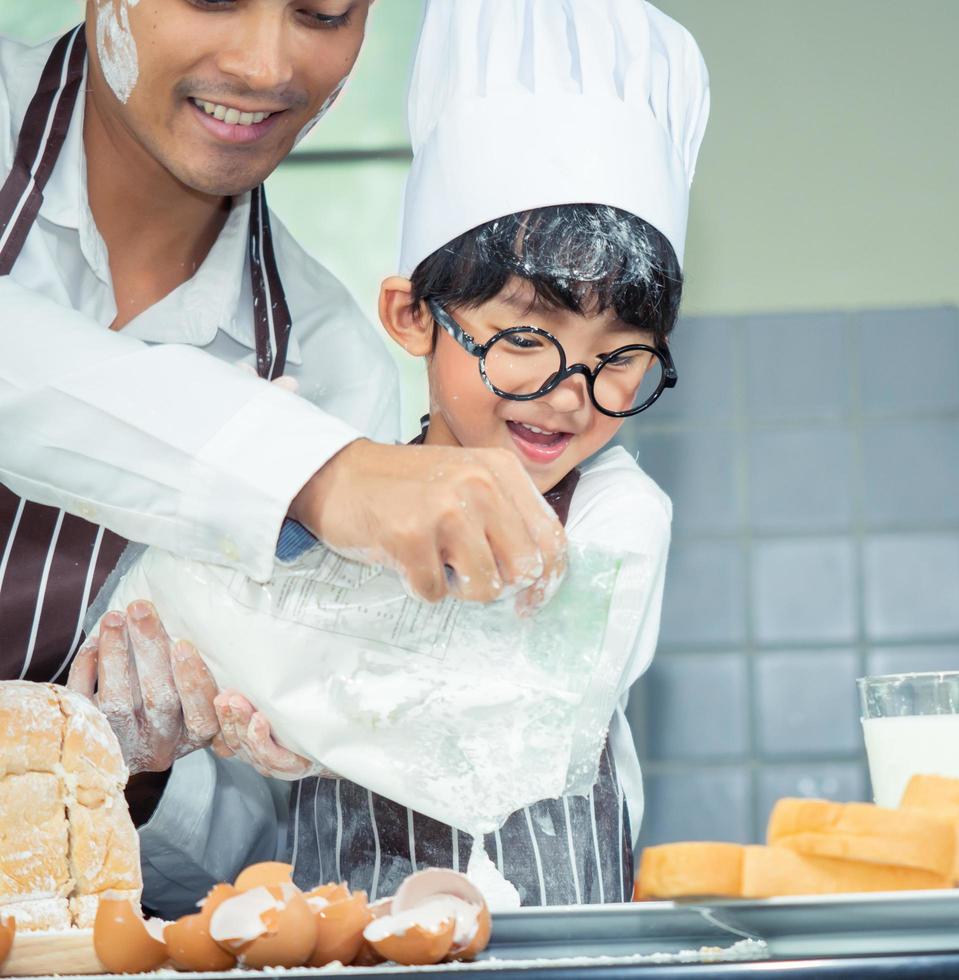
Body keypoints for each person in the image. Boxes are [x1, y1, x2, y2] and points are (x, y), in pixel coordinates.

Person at [0, 0, 559, 914]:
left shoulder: (330, 365)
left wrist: (137, 771)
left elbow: (241, 851)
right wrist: (316, 474)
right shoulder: (331, 447)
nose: (266, 65)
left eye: (322, 13)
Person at [184, 0, 708, 904]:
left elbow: (501, 708)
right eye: (524, 339)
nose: (571, 394)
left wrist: (300, 682)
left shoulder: (617, 517)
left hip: (565, 968)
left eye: (621, 355)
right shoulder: (334, 500)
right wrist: (258, 513)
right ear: (413, 316)